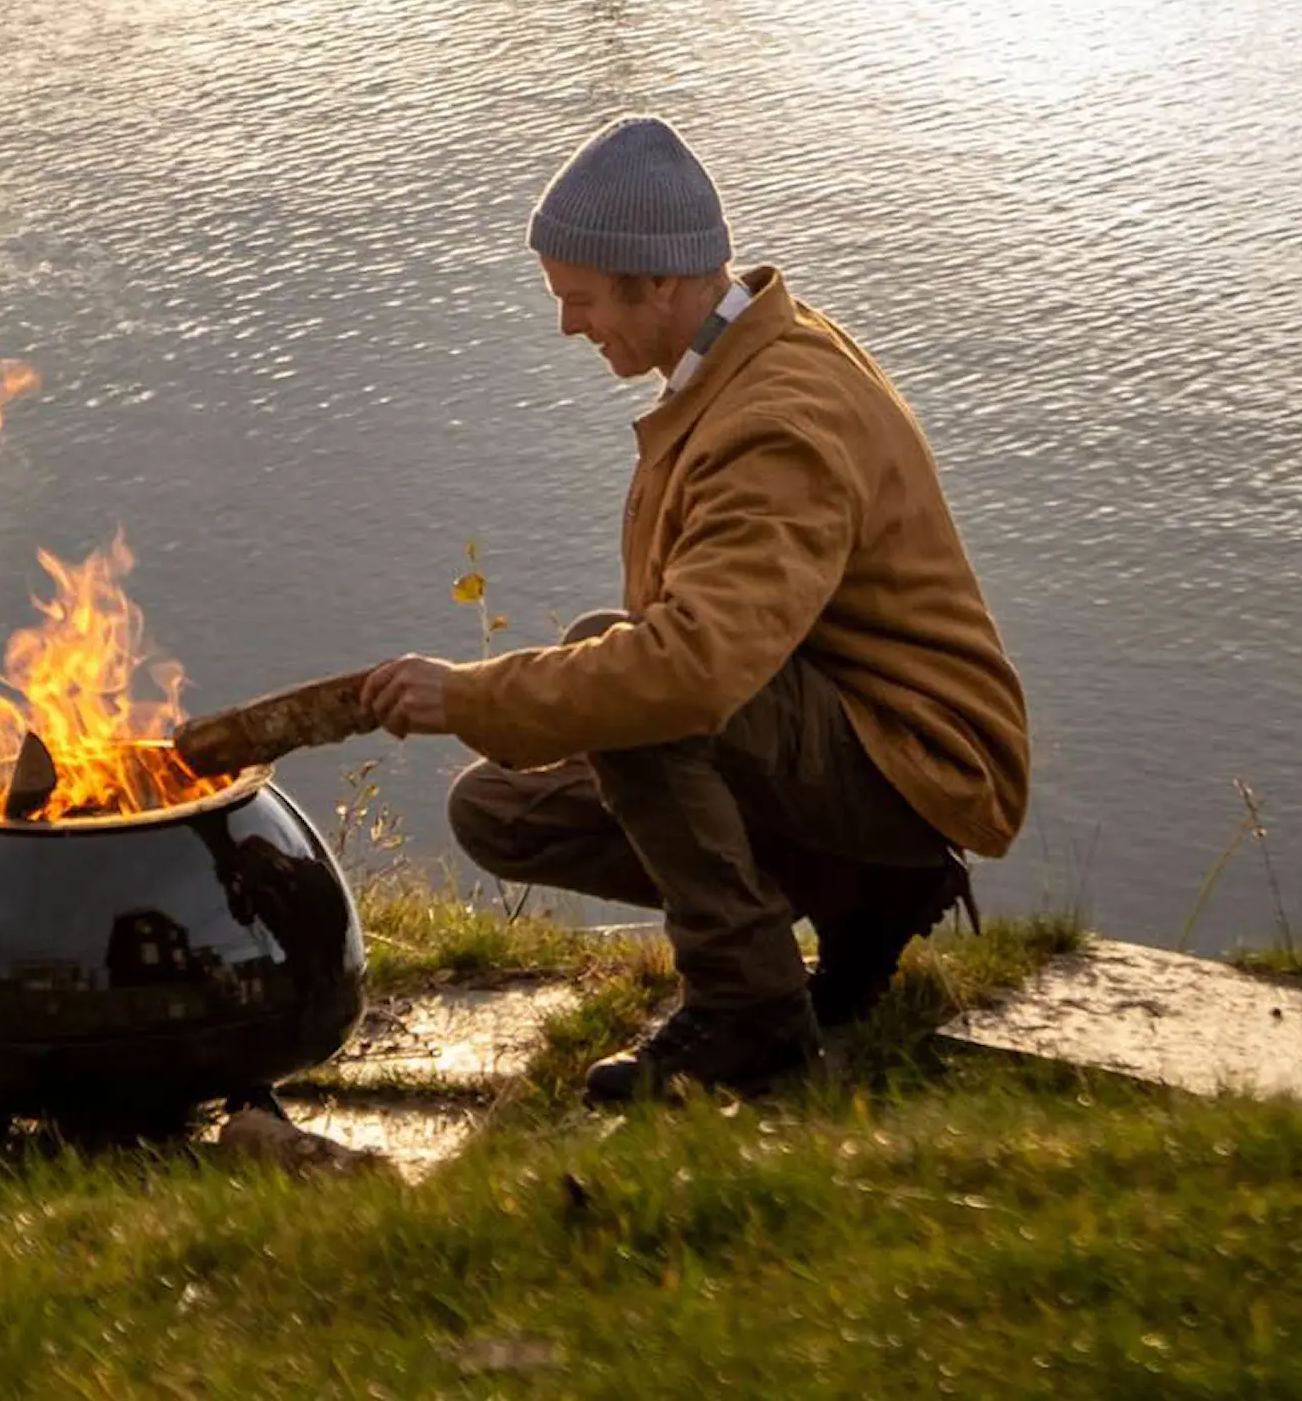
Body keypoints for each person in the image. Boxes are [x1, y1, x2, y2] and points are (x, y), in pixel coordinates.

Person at [361, 116, 1028, 1101]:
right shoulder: (738, 357)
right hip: (827, 729)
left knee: (627, 673)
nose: (568, 326)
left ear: (659, 281)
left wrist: (468, 692)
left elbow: (688, 669)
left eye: (580, 299)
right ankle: (860, 894)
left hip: (915, 758)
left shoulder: (776, 417)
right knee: (500, 810)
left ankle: (750, 1012)